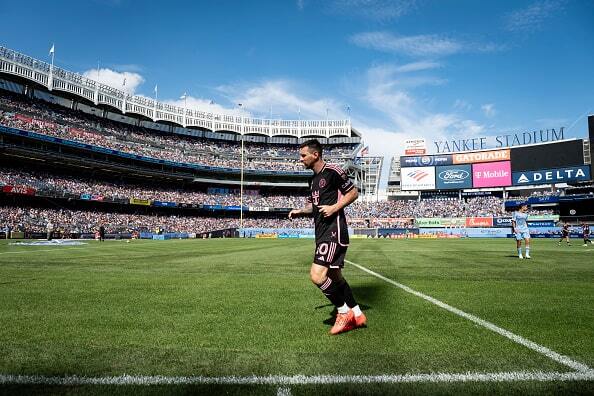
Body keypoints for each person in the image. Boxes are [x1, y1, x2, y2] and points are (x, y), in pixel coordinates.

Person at [288, 139, 366, 335]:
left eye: (303, 155)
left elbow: (353, 193)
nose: (300, 159)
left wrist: (334, 207)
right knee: (334, 276)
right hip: (321, 232)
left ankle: (343, 312)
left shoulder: (333, 171)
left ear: (315, 154)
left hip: (334, 231)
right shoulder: (312, 180)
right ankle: (357, 314)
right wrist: (300, 211)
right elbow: (315, 207)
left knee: (317, 276)